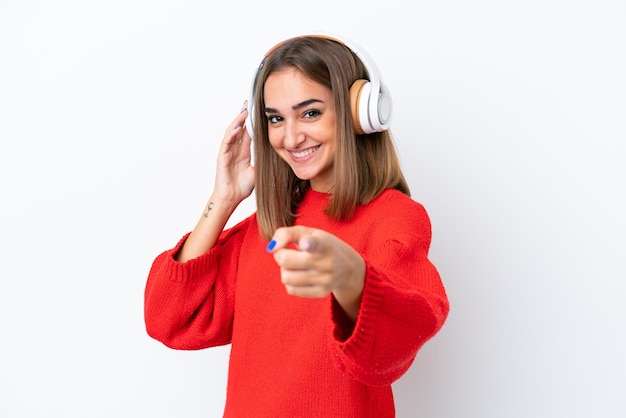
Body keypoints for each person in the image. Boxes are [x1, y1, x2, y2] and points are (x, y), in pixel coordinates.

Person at [144, 33, 449, 417]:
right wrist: (222, 200)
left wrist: (351, 277)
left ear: (361, 113)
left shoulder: (393, 216)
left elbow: (398, 341)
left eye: (310, 113)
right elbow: (168, 319)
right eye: (275, 119)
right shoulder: (271, 227)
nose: (290, 137)